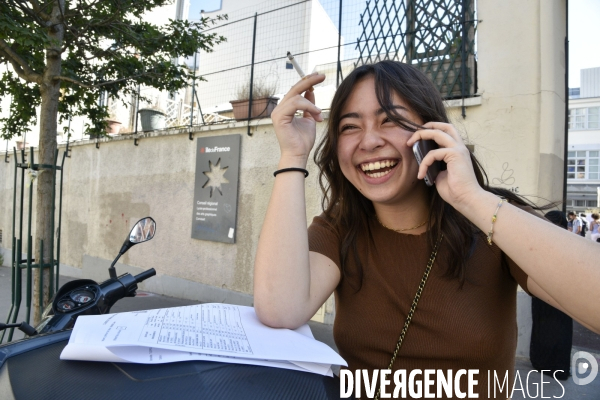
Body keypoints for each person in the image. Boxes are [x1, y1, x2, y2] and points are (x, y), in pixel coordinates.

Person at [254, 61, 600, 397]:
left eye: (390, 120)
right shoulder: (340, 227)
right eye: (350, 126)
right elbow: (280, 309)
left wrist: (470, 199)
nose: (369, 141)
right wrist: (293, 156)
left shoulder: (491, 218)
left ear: (430, 132)